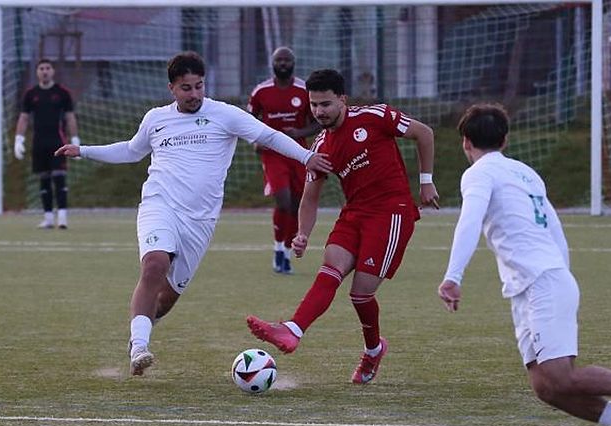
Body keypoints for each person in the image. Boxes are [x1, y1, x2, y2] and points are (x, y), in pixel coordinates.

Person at [54, 51, 330, 376]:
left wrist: (305, 156)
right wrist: (84, 151)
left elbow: (267, 135)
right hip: (160, 205)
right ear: (172, 88)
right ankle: (140, 347)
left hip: (200, 221)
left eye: (199, 86)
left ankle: (139, 329)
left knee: (167, 299)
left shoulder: (224, 114)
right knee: (154, 264)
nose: (195, 94)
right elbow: (131, 150)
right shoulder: (156, 118)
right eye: (187, 88)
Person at [437, 103, 611, 426]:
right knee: (545, 387)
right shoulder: (526, 173)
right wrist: (561, 273)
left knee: (561, 376)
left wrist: (453, 277)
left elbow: (468, 221)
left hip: (542, 282)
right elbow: (555, 228)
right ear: (504, 140)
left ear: (465, 142)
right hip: (534, 285)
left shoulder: (478, 174)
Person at [246, 68, 440, 384]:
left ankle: (374, 350)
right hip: (354, 213)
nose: (319, 112)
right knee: (330, 267)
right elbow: (309, 198)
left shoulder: (376, 116)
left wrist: (426, 182)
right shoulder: (321, 145)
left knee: (360, 294)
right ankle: (293, 330)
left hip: (391, 212)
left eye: (326, 104)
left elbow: (425, 133)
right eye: (314, 105)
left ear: (342, 100)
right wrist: (302, 234)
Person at [248, 47, 320, 274]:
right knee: (284, 201)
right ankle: (278, 248)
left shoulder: (303, 90)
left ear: (293, 63)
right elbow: (247, 120)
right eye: (279, 60)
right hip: (272, 154)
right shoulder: (261, 91)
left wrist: (298, 133)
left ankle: (287, 251)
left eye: (287, 60)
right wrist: (255, 141)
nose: (283, 63)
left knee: (298, 204)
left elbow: (318, 121)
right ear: (272, 63)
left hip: (298, 153)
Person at [14, 59, 80, 229]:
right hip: (38, 143)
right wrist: (19, 139)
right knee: (43, 179)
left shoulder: (62, 93)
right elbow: (24, 117)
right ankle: (48, 217)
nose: (44, 71)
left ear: (53, 71)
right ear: (37, 72)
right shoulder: (30, 94)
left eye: (47, 68)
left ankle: (63, 217)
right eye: (41, 68)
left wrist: (75, 140)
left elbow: (70, 117)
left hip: (57, 141)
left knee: (59, 178)